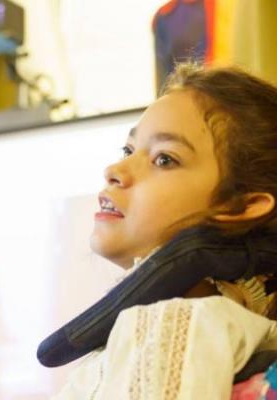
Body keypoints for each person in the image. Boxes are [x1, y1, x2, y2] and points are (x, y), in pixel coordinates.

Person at [55, 63, 277, 398]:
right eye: (128, 150)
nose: (114, 170)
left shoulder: (180, 323)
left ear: (242, 207)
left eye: (164, 160)